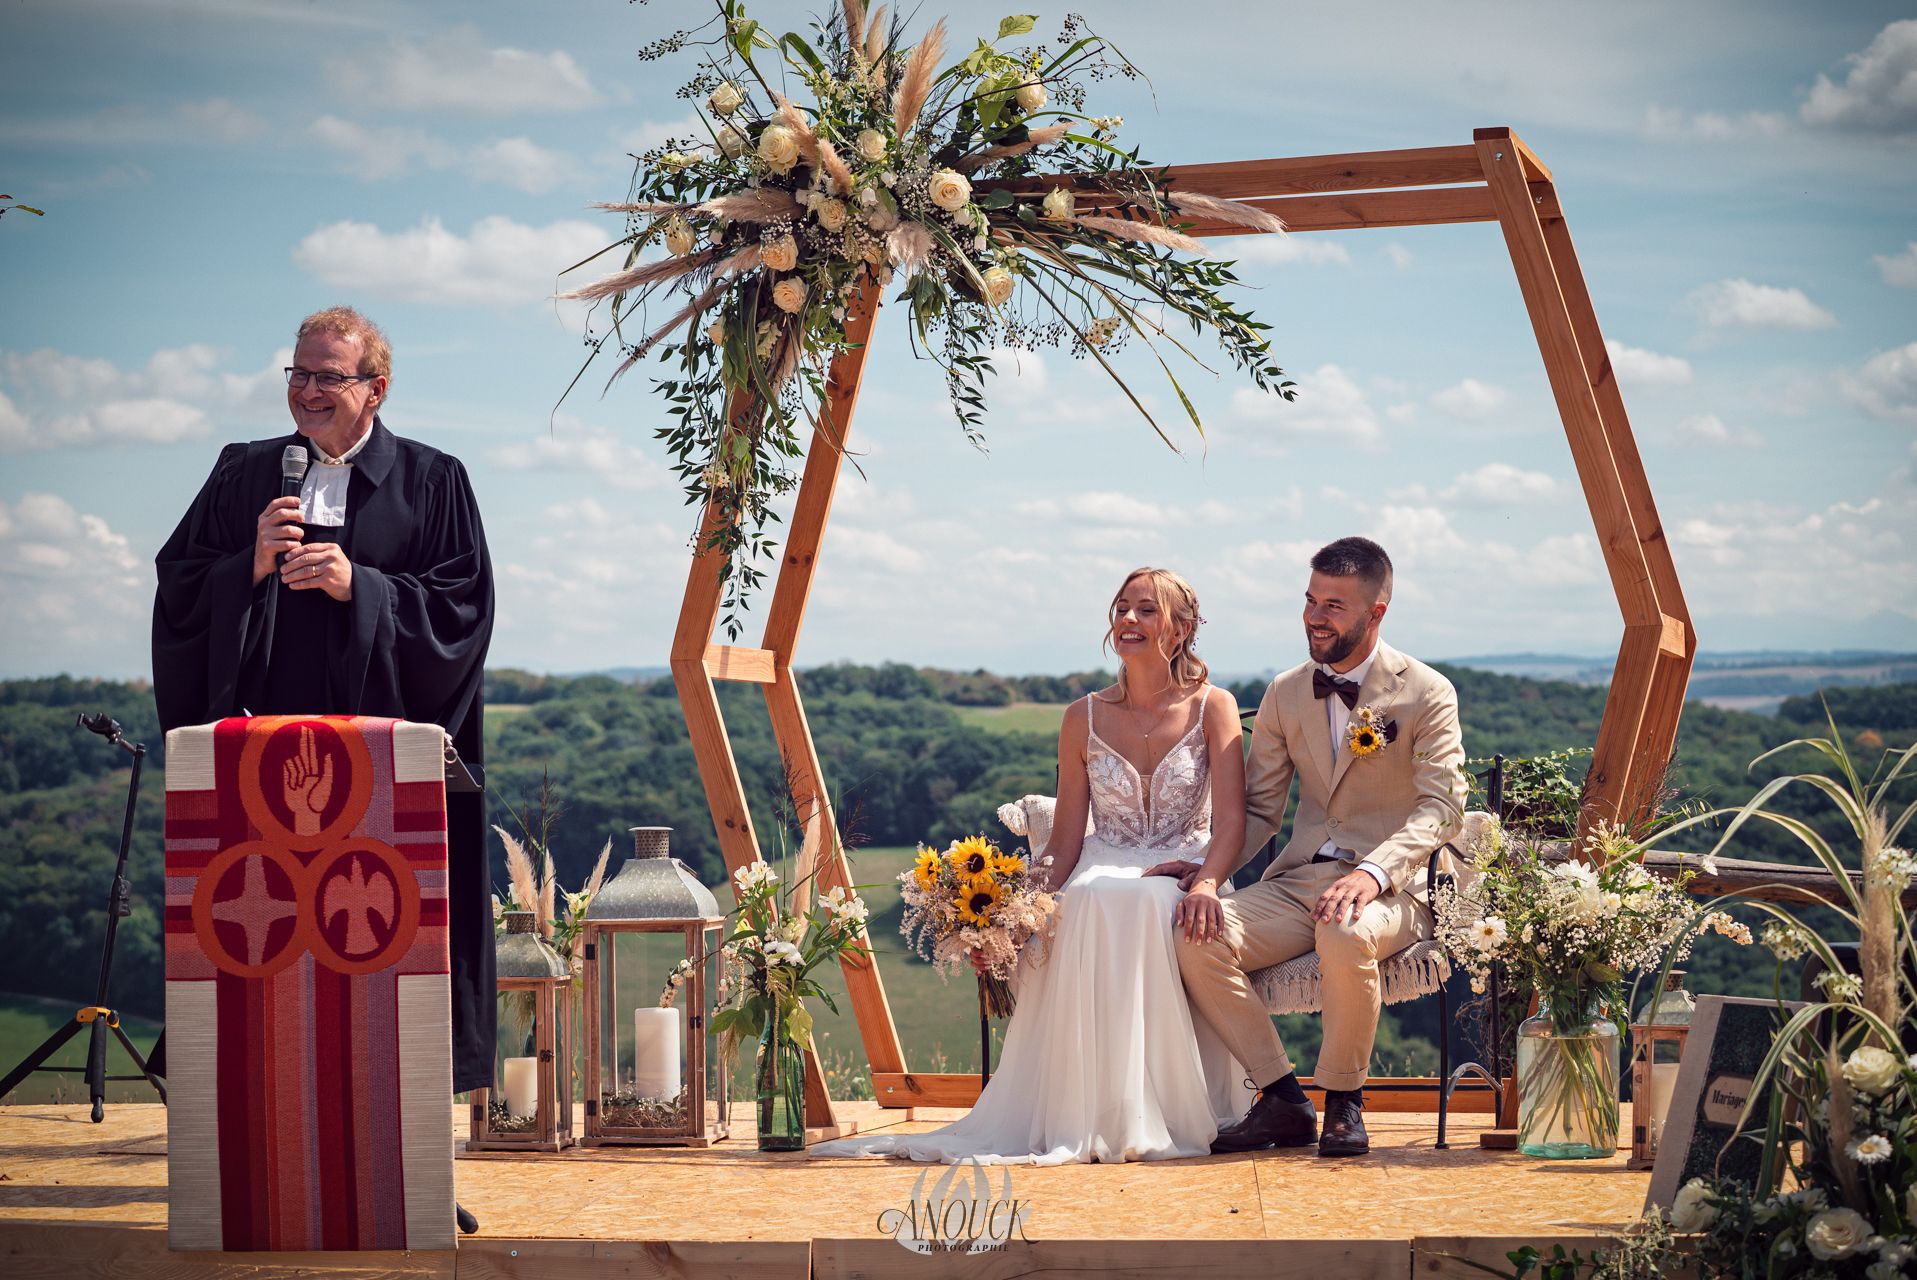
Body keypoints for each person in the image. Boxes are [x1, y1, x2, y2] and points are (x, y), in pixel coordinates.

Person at [151, 306, 497, 1098]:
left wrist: (361, 588)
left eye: (327, 377)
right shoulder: (244, 474)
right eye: (297, 374)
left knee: (377, 929)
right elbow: (179, 587)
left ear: (375, 390)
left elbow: (464, 610)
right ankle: (257, 1095)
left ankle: (386, 1100)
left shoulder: (433, 480)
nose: (307, 391)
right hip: (264, 756)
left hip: (379, 762)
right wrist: (248, 565)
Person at [813, 568, 1255, 1164]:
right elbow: (1066, 843)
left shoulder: (1215, 707)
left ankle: (1160, 1110)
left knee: (1149, 901)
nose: (1127, 619)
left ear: (1181, 629)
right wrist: (1006, 915)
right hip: (1107, 860)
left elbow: (1232, 821)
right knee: (1090, 897)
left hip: (1184, 865)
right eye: (1121, 608)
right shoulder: (1083, 717)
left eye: (1146, 611)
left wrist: (1205, 881)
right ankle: (1089, 1111)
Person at [1166, 536, 1464, 1157]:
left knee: (1345, 932)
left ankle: (1344, 1103)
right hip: (1300, 880)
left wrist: (1375, 874)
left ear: (1376, 612)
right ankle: (1282, 1099)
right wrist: (1208, 871)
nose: (1314, 616)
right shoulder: (1285, 692)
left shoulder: (1428, 692)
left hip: (1394, 887)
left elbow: (1441, 807)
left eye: (1334, 605)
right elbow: (1258, 810)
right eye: (1309, 600)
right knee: (1197, 934)